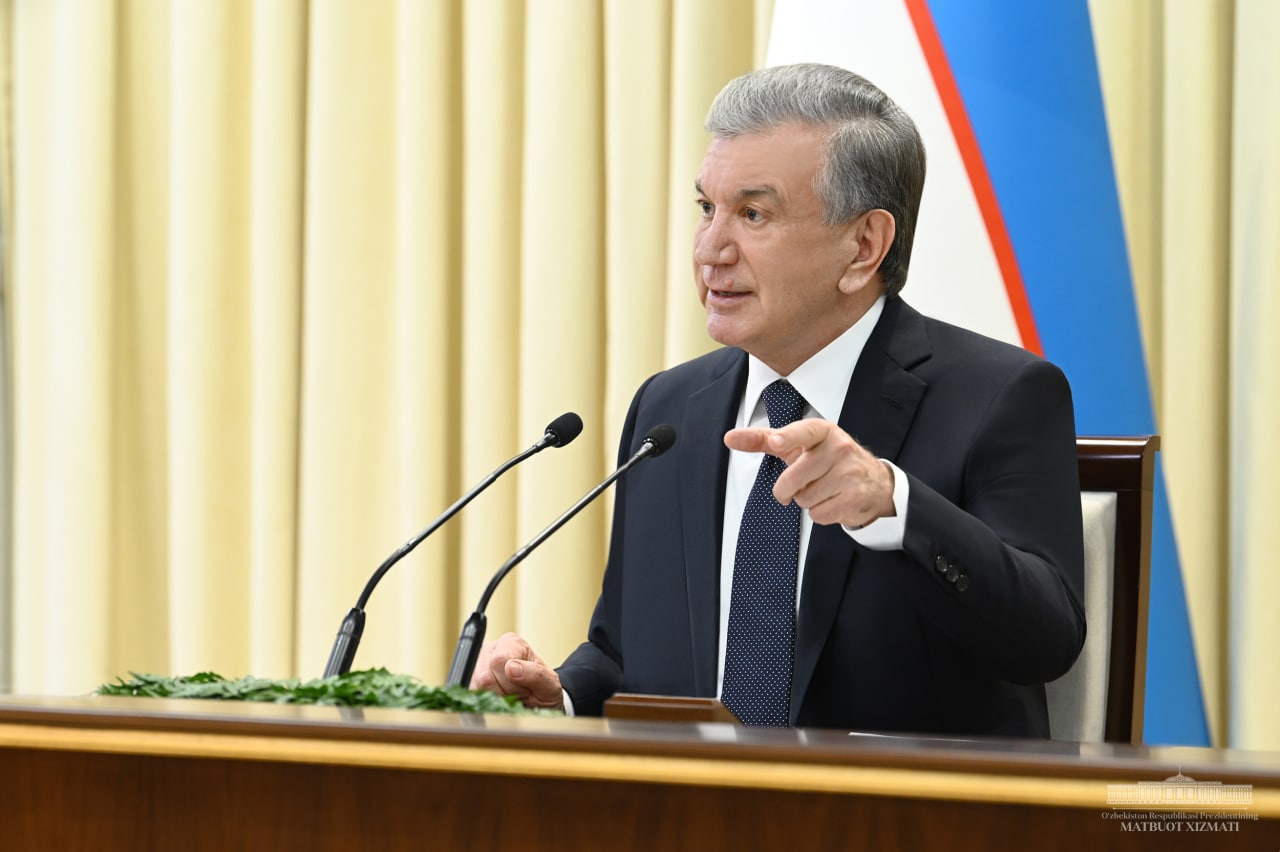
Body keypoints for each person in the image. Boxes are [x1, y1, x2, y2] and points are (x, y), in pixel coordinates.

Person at [472, 63, 1086, 737]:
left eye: (753, 214)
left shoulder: (999, 396)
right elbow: (626, 651)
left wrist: (893, 503)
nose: (710, 250)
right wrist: (561, 695)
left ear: (863, 246)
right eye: (707, 209)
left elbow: (1046, 640)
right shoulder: (669, 410)